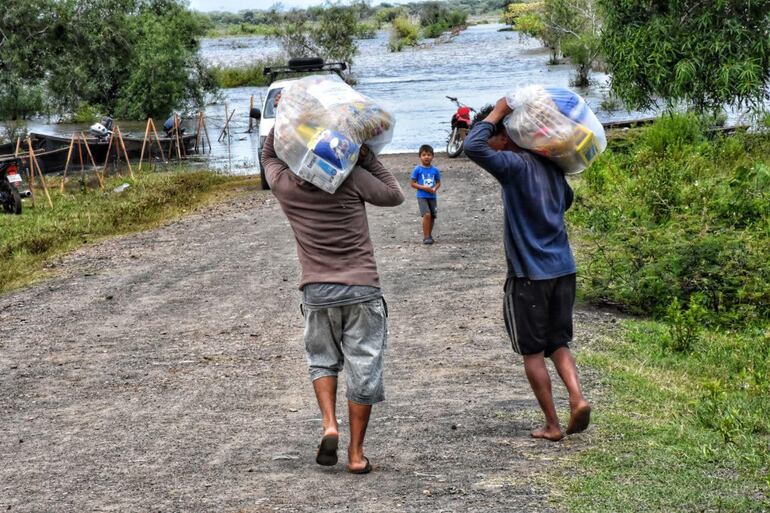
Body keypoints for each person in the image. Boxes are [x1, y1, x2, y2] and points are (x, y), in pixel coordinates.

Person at [261, 128, 405, 473]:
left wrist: (286, 119)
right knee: (364, 366)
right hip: (362, 289)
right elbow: (394, 194)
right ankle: (356, 455)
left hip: (318, 291)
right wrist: (366, 155)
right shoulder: (351, 178)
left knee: (322, 360)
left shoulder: (287, 185)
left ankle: (329, 423)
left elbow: (268, 156)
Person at [463, 98, 591, 441]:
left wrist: (499, 111)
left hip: (529, 276)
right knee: (559, 342)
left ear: (504, 136)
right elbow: (566, 201)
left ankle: (552, 424)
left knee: (532, 351)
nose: (488, 142)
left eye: (492, 135)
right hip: (563, 269)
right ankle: (577, 398)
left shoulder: (513, 165)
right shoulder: (549, 164)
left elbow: (472, 146)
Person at [409, 144, 442, 244]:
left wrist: (434, 188)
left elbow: (438, 182)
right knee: (426, 215)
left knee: (432, 216)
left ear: (432, 156)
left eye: (429, 154)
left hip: (432, 196)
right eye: (424, 155)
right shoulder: (417, 169)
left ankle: (429, 234)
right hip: (422, 196)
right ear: (420, 157)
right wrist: (424, 187)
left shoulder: (435, 170)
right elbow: (412, 183)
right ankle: (426, 236)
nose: (426, 157)